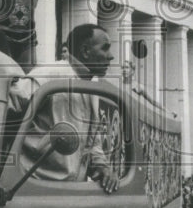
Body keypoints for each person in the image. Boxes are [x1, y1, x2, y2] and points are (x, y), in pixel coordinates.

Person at [7, 23, 119, 194]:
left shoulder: (91, 85)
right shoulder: (51, 74)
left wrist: (102, 166)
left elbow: (92, 141)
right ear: (86, 51)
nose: (110, 57)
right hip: (36, 186)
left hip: (70, 190)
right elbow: (9, 100)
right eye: (105, 48)